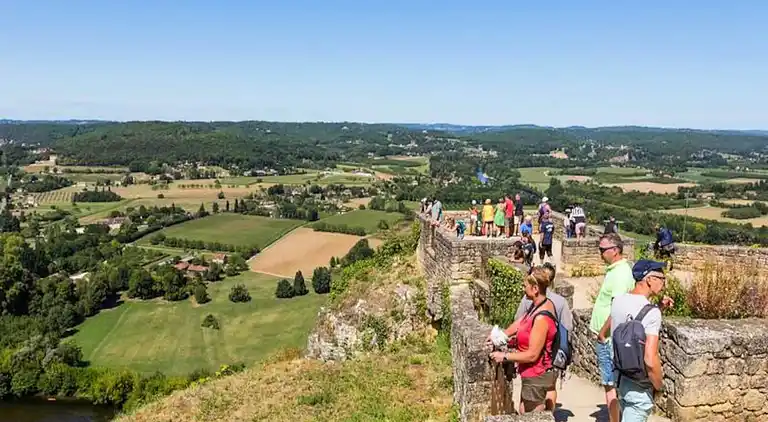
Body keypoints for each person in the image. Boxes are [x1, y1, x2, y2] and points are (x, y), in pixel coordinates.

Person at [598, 260, 672, 422]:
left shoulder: (618, 301)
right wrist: (659, 386)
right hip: (639, 386)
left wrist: (658, 308)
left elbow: (629, 324)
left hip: (621, 378)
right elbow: (649, 359)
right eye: (662, 278)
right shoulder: (652, 313)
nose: (663, 283)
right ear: (649, 279)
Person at [489, 267, 558, 414]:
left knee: (531, 414)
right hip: (530, 373)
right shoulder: (538, 305)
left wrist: (504, 356)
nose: (523, 289)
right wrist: (500, 336)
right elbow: (521, 322)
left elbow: (532, 354)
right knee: (524, 410)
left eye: (525, 286)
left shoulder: (541, 318)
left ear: (535, 289)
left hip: (537, 374)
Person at [514, 263, 573, 411]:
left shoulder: (529, 299)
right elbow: (567, 327)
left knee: (528, 399)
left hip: (535, 358)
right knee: (551, 387)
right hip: (553, 354)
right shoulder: (560, 302)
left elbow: (518, 320)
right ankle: (550, 415)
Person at [590, 233, 636, 422]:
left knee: (610, 386)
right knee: (613, 385)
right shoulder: (617, 270)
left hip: (609, 338)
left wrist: (602, 333)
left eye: (602, 249)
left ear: (615, 250)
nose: (600, 253)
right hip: (610, 337)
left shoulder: (619, 274)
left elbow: (618, 307)